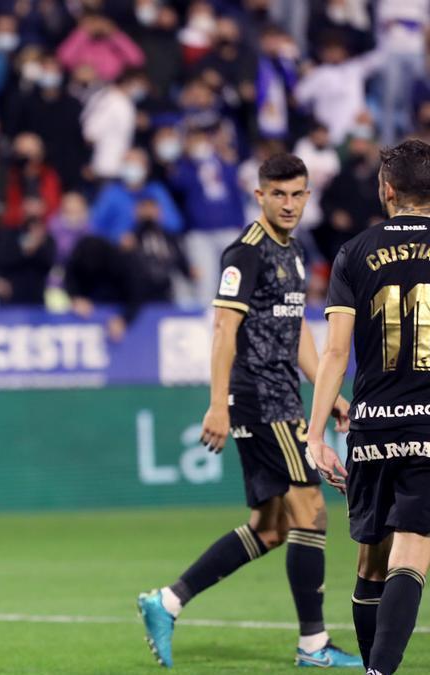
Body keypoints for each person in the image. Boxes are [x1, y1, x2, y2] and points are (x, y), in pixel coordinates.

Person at [137, 154, 363, 669]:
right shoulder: (247, 252)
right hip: (262, 400)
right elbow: (223, 328)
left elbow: (296, 328)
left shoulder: (296, 251)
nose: (288, 204)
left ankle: (165, 601)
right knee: (312, 513)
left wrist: (332, 396)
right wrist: (218, 403)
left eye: (297, 194)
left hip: (282, 394)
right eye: (278, 194)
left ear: (308, 196)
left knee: (270, 527)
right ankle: (313, 645)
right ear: (259, 195)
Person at [307, 139, 430, 675]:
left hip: (372, 425)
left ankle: (371, 666)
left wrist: (314, 436)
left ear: (387, 189)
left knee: (372, 561)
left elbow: (335, 352)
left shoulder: (354, 252)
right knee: (413, 552)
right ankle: (380, 672)